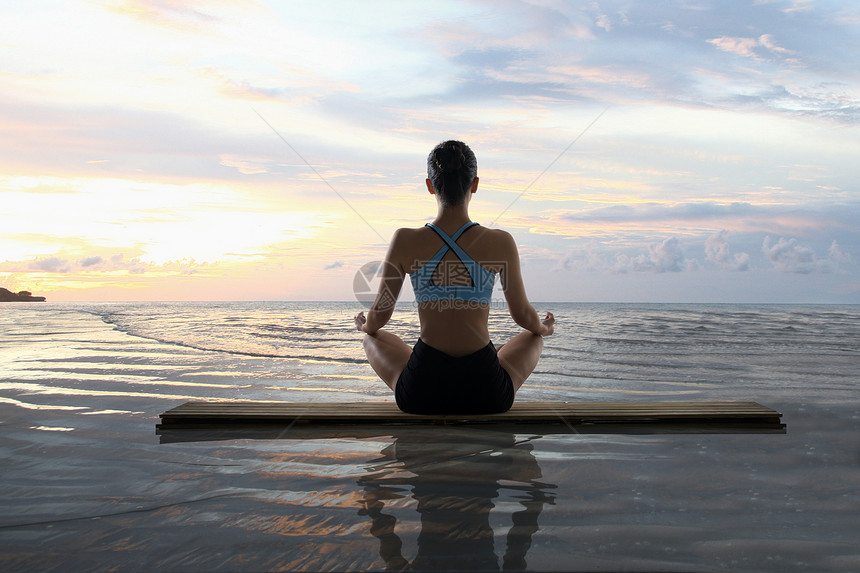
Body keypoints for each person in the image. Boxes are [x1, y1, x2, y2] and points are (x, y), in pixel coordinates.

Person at [354, 140, 554, 415]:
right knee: (534, 338)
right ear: (475, 184)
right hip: (486, 392)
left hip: (422, 391)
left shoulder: (405, 239)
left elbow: (380, 316)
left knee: (371, 338)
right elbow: (522, 315)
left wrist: (365, 325)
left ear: (429, 185)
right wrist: (544, 328)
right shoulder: (500, 242)